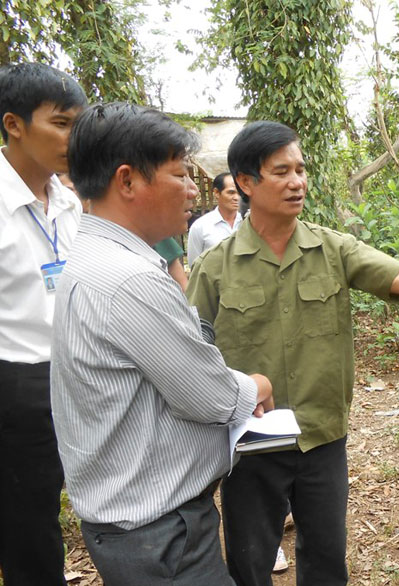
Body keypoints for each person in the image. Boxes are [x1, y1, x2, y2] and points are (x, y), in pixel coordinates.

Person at [186, 120, 399, 586]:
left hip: (322, 438)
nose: (297, 182)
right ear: (246, 182)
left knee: (326, 560)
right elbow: (192, 355)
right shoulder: (214, 268)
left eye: (300, 169)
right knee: (249, 563)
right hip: (251, 446)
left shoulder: (332, 249)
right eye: (281, 172)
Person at [50, 102, 274, 586]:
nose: (193, 190)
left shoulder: (94, 257)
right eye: (180, 174)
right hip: (161, 535)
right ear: (127, 181)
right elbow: (213, 397)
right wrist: (258, 384)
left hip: (137, 528)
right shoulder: (129, 279)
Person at [0, 62, 87, 586]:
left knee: (43, 514)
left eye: (78, 124)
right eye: (60, 123)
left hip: (68, 376)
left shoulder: (69, 203)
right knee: (27, 528)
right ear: (14, 124)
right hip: (14, 382)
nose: (73, 138)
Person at [187, 171, 242, 266]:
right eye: (231, 192)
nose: (237, 198)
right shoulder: (200, 226)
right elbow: (194, 266)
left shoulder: (248, 223)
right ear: (216, 193)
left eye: (240, 192)